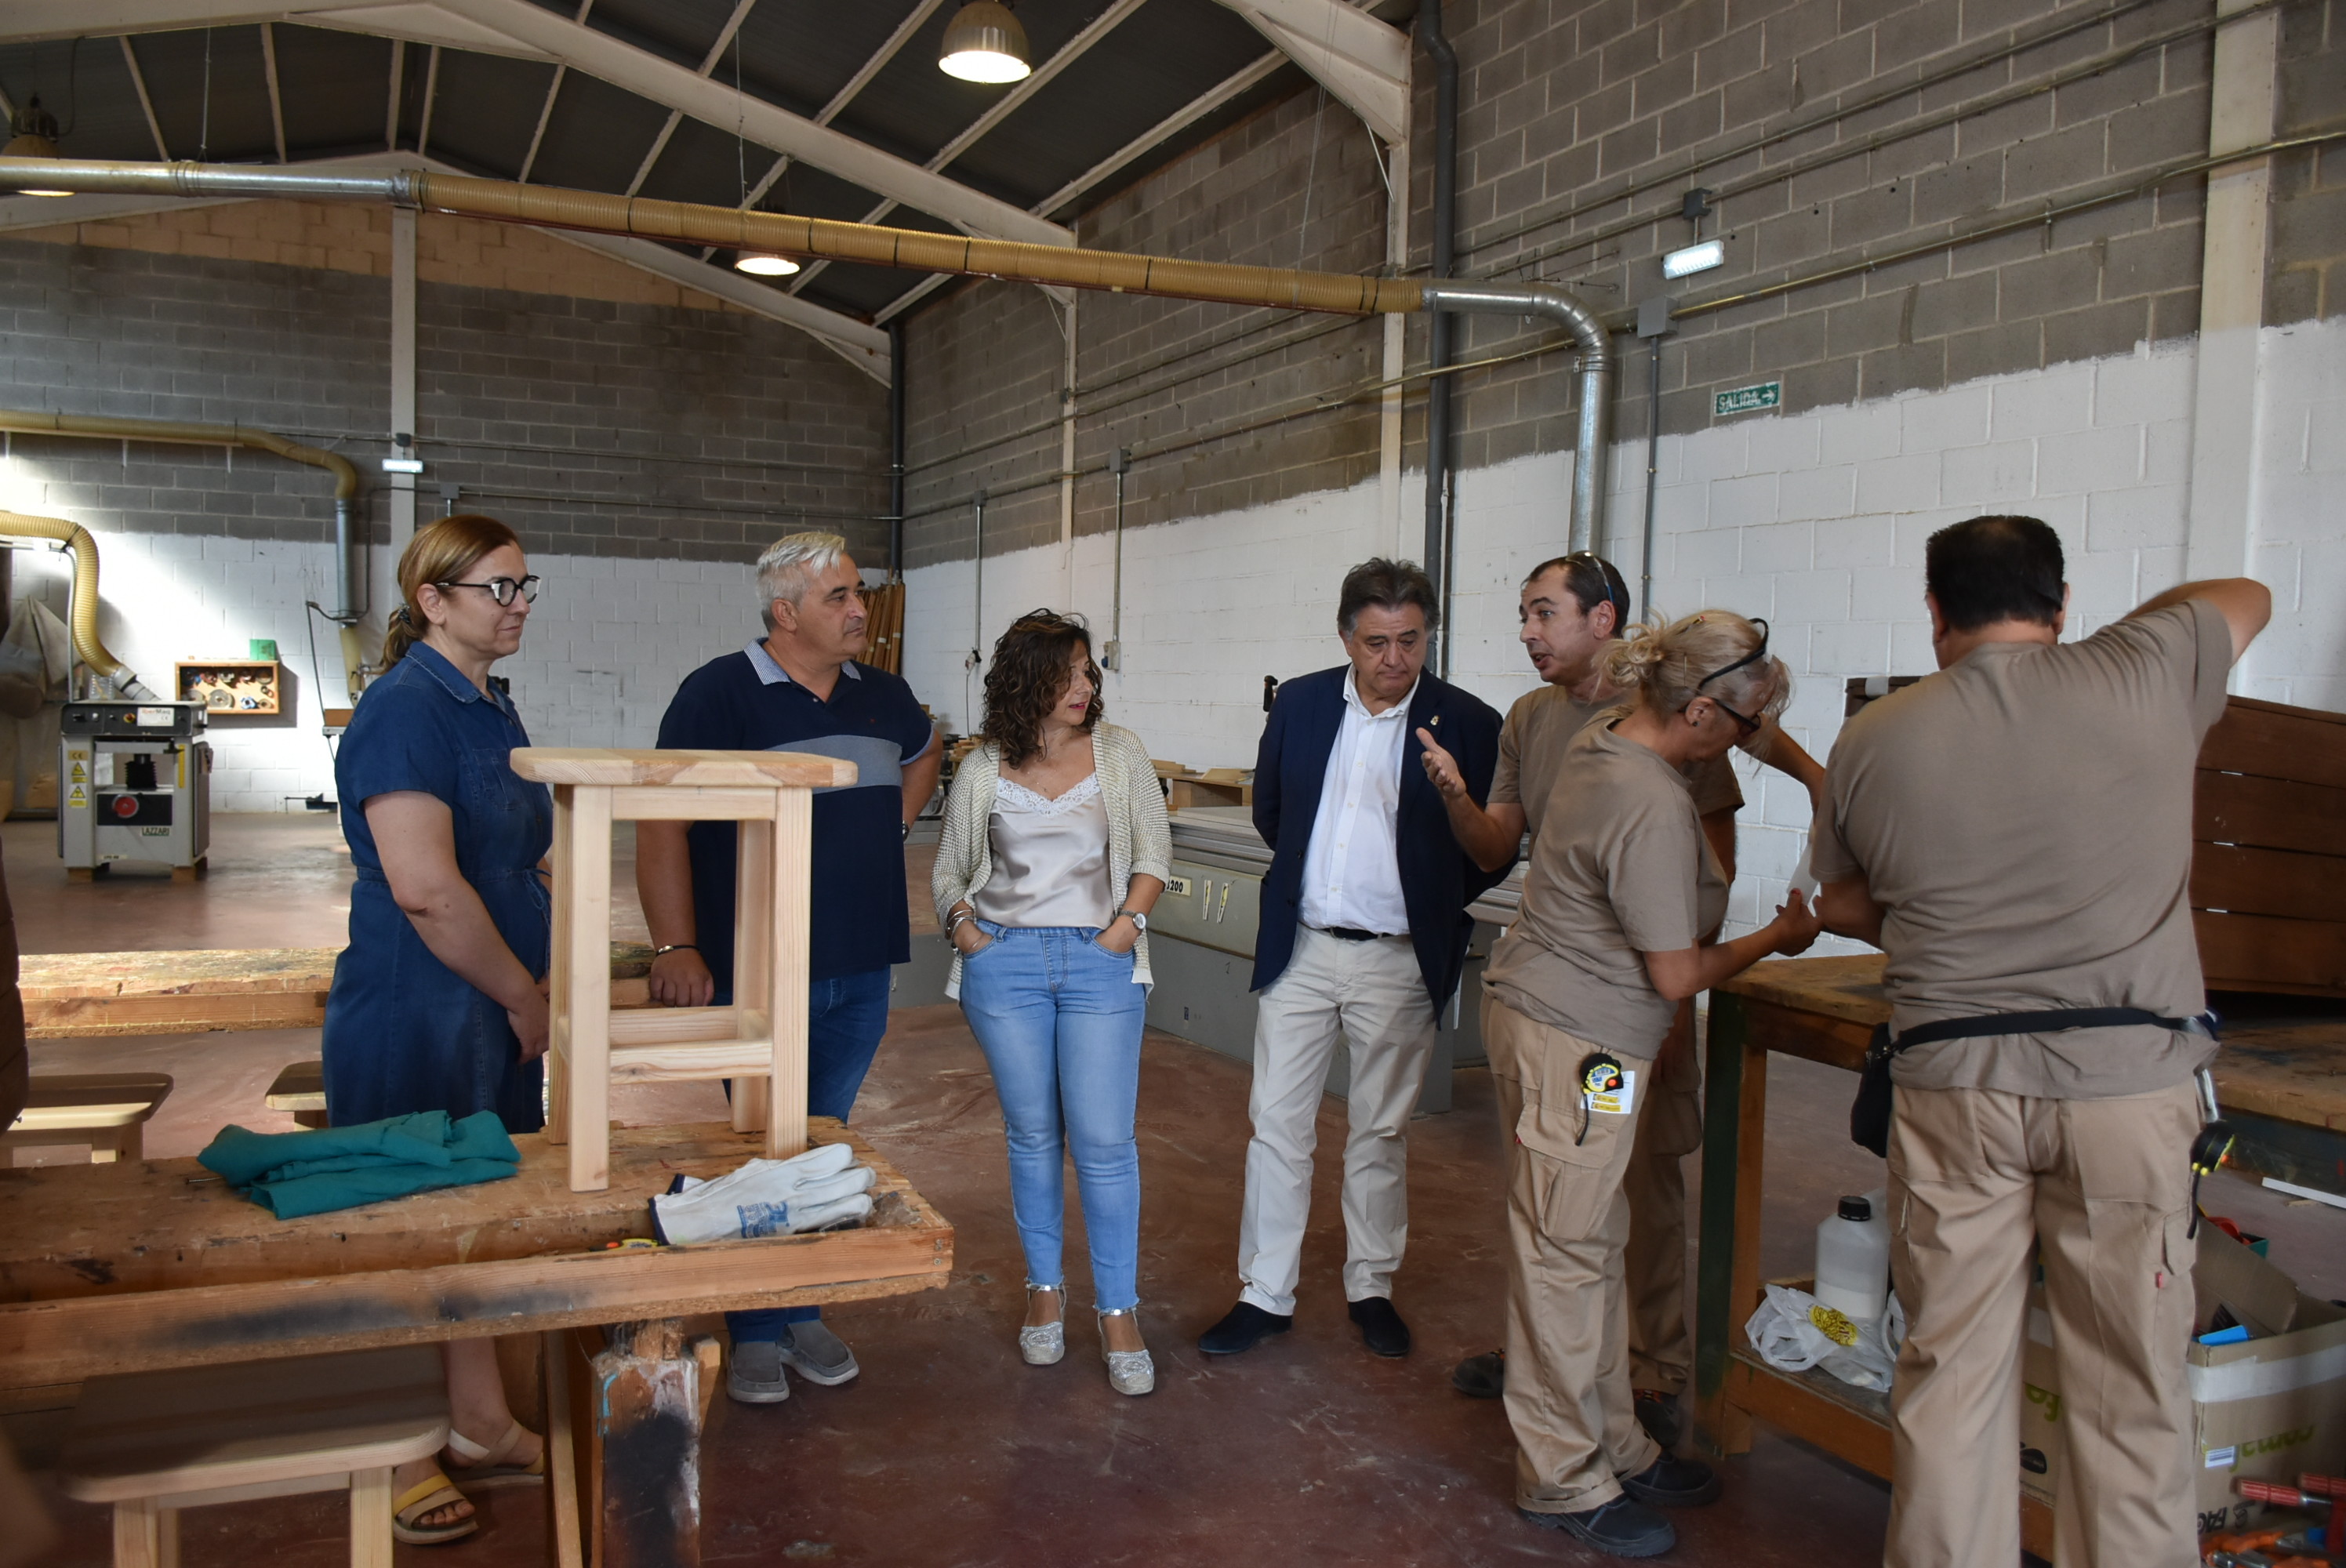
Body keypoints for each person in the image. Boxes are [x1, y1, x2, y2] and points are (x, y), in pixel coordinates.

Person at [1810, 517, 2270, 1568]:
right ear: (2062, 604)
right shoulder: (2148, 669)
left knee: (1951, 1377)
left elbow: (1843, 901)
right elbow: (2247, 593)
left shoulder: (1873, 737)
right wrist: (2118, 637)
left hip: (1956, 1084)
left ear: (1934, 612)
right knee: (2130, 1391)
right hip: (2126, 1085)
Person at [1421, 553, 1827, 1446]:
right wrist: (1777, 936)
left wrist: (1818, 778)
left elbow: (1734, 758)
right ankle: (1568, 1464)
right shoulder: (1638, 785)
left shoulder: (1613, 734)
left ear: (1605, 626)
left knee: (1589, 1220)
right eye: (1737, 726)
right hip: (1586, 1036)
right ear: (1699, 712)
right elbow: (1675, 967)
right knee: (1570, 1238)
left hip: (1591, 1031)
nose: (1528, 631)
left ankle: (1628, 1410)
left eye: (1543, 612)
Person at [641, 531, 939, 1405]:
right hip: (760, 961)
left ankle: (796, 1305)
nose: (860, 612)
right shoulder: (718, 693)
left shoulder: (885, 695)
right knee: (762, 1140)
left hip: (863, 954)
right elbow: (660, 824)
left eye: (858, 594)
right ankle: (760, 1325)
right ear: (787, 612)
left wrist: (892, 822)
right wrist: (676, 944)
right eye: (842, 597)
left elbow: (925, 751)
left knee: (824, 1133)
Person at [1197, 558, 1511, 1360]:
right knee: (1276, 1125)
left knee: (1379, 1129)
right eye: (1376, 642)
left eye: (1410, 640)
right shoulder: (1301, 703)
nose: (1394, 659)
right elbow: (1272, 810)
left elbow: (1488, 853)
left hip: (1398, 960)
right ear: (1346, 637)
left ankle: (1371, 1283)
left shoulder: (1469, 721)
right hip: (1302, 948)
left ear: (1428, 635)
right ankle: (1264, 1291)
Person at [321, 514, 551, 1544]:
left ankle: (480, 1421)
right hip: (426, 1002)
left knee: (476, 1224)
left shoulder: (489, 706)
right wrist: (521, 993)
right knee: (403, 1233)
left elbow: (517, 853)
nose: (518, 604)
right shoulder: (403, 710)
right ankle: (396, 1454)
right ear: (434, 602)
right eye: (498, 587)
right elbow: (423, 889)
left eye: (523, 585)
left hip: (485, 999)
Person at [933, 611, 1171, 1396]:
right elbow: (949, 873)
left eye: (1089, 671)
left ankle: (1117, 1310)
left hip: (1098, 960)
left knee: (1105, 1141)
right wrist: (967, 932)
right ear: (1027, 679)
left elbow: (1151, 854)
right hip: (1004, 964)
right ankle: (1044, 1288)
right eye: (1068, 672)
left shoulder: (1119, 753)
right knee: (1033, 1134)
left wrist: (1123, 927)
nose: (1085, 685)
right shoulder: (982, 768)